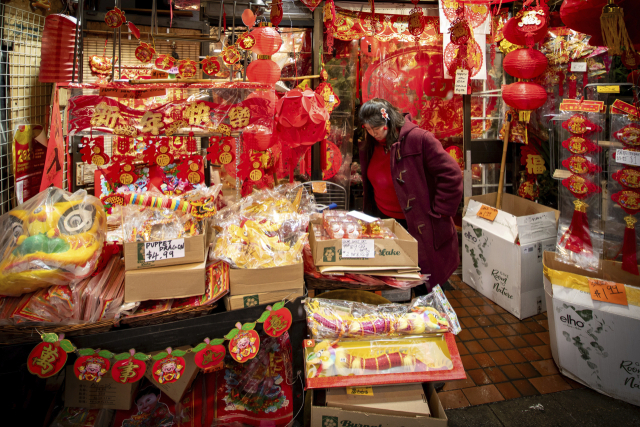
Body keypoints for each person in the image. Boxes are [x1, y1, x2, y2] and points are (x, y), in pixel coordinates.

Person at [359, 98, 463, 292]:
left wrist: (439, 211)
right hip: (385, 221)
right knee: (393, 282)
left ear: (388, 120)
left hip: (417, 223)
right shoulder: (371, 145)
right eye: (368, 129)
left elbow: (452, 174)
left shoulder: (419, 139)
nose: (373, 134)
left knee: (423, 282)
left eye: (377, 128)